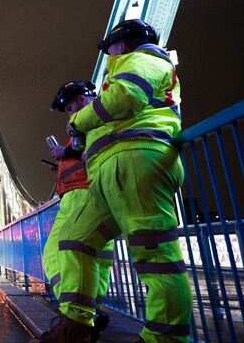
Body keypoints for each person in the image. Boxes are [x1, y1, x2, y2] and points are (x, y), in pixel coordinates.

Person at [35, 19, 190, 343]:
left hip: (137, 162)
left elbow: (124, 98)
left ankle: (164, 339)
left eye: (110, 49)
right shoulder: (124, 70)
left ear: (122, 44)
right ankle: (77, 325)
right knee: (76, 239)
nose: (109, 56)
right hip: (111, 171)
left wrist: (79, 122)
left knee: (157, 260)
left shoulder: (144, 60)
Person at [43, 80, 114, 343]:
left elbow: (91, 149)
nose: (71, 112)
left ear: (84, 99)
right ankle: (89, 312)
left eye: (72, 105)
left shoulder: (92, 116)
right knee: (92, 255)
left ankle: (74, 318)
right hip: (88, 191)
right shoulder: (94, 119)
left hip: (82, 194)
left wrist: (67, 152)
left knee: (58, 251)